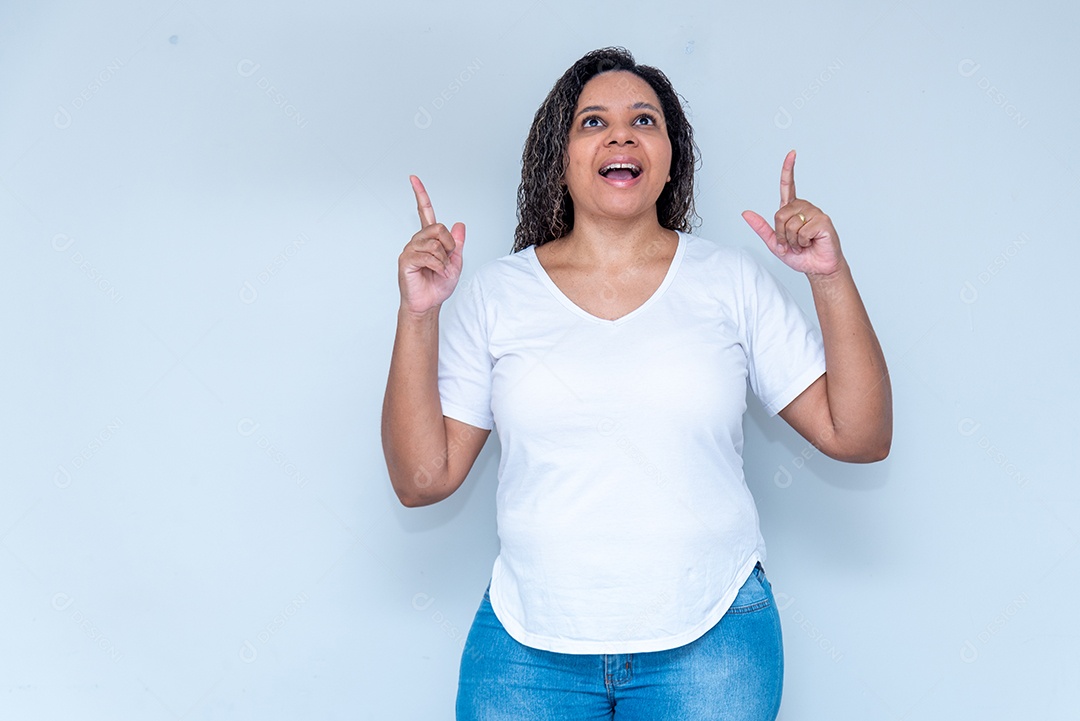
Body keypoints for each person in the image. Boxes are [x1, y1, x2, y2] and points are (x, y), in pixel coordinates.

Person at [382, 47, 891, 721]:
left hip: (714, 645)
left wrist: (828, 276)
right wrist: (419, 314)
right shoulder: (496, 294)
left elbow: (860, 436)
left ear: (671, 158)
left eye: (643, 120)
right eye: (593, 121)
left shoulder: (729, 281)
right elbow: (421, 481)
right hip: (528, 654)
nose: (620, 135)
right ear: (560, 158)